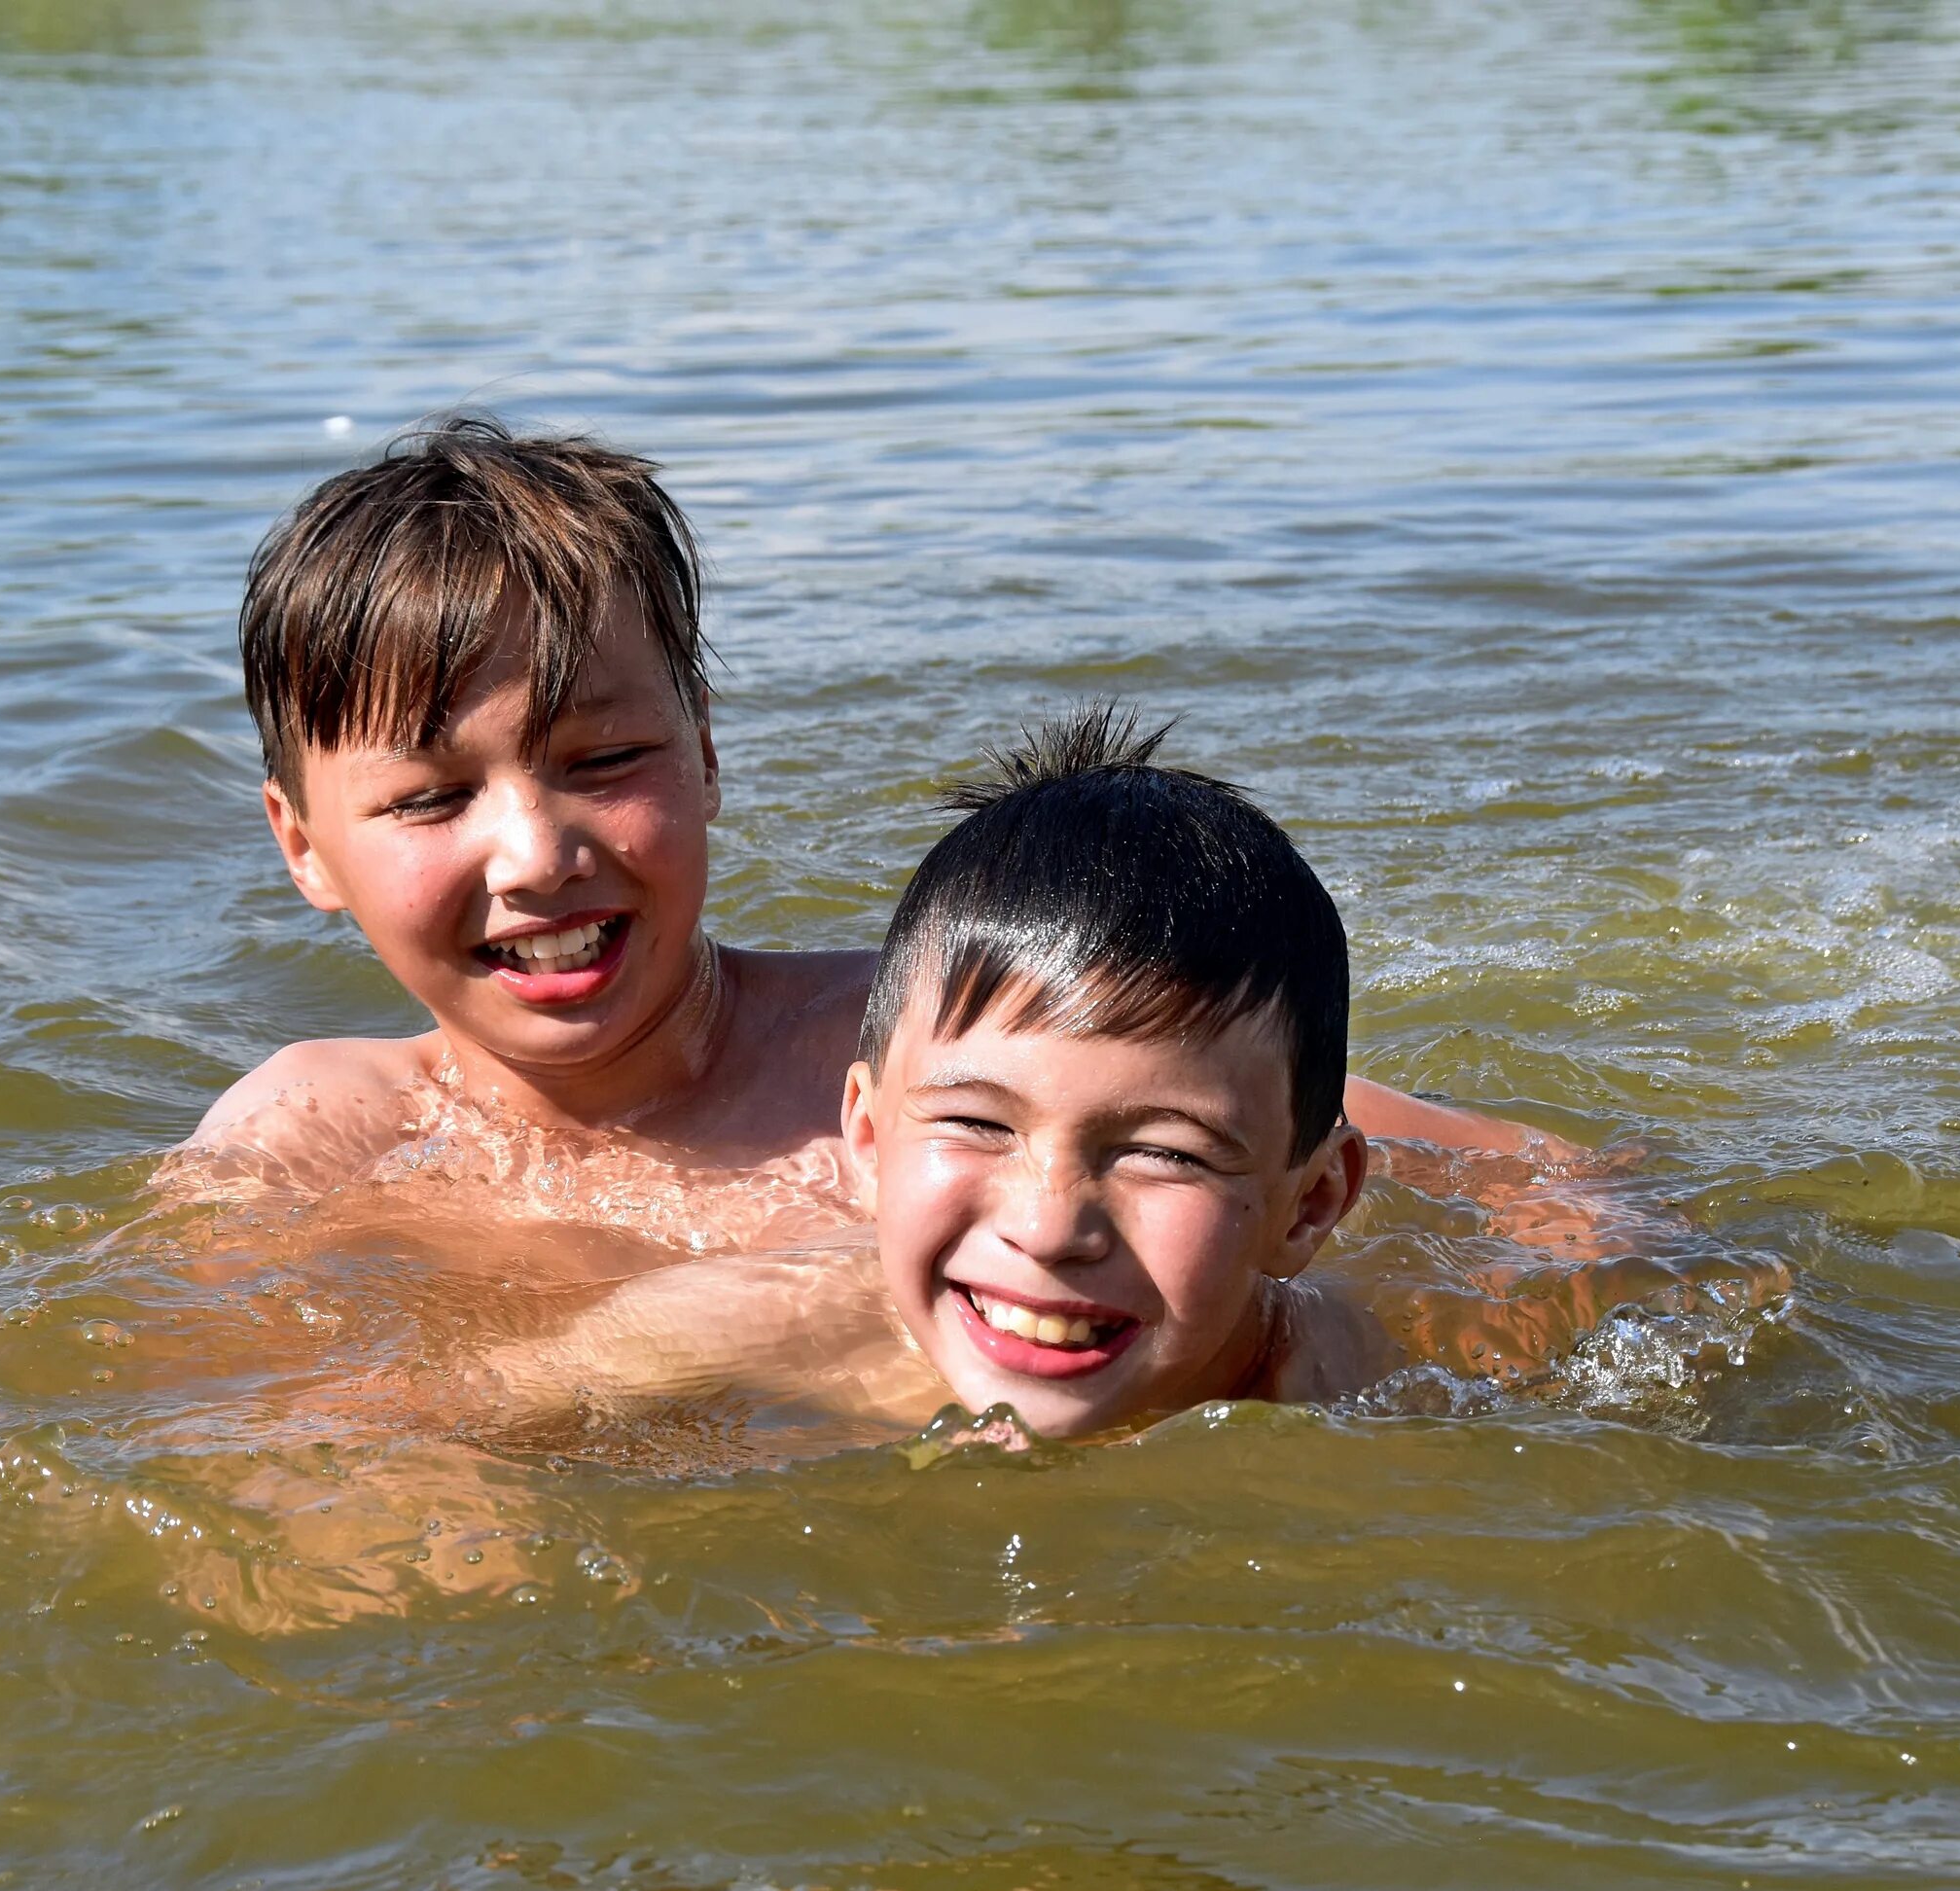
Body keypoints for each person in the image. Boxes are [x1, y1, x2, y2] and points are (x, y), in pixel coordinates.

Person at [174, 416, 1592, 1260]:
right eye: (433, 798)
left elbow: (1485, 1167)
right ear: (303, 848)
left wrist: (1597, 1256)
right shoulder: (313, 1141)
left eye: (605, 761)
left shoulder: (906, 1036)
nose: (538, 851)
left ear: (710, 757)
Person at [451, 710, 1757, 1445]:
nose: (1048, 1223)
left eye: (1165, 1152)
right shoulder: (749, 1331)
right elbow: (443, 1431)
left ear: (1310, 1207)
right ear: (862, 1135)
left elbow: (1683, 1321)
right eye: (974, 1123)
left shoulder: (1388, 1381)